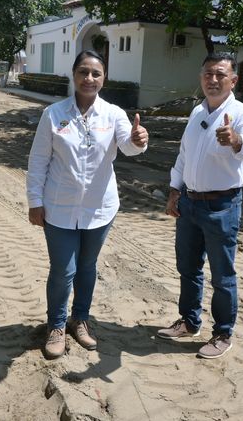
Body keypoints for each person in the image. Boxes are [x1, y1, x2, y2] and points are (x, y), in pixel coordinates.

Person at [27, 50, 149, 360]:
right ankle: (56, 326)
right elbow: (39, 160)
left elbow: (128, 147)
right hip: (59, 207)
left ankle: (80, 320)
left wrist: (138, 139)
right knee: (63, 270)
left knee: (86, 267)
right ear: (74, 74)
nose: (89, 78)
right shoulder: (53, 114)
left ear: (103, 77)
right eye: (83, 72)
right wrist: (35, 201)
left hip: (100, 208)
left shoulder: (113, 114)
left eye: (96, 73)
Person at [157, 52, 243, 359]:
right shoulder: (196, 112)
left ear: (233, 80)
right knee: (188, 268)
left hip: (222, 206)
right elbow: (184, 156)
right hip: (189, 203)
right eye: (207, 74)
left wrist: (236, 140)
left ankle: (223, 333)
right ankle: (190, 322)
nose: (212, 80)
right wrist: (175, 191)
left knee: (222, 275)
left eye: (219, 75)